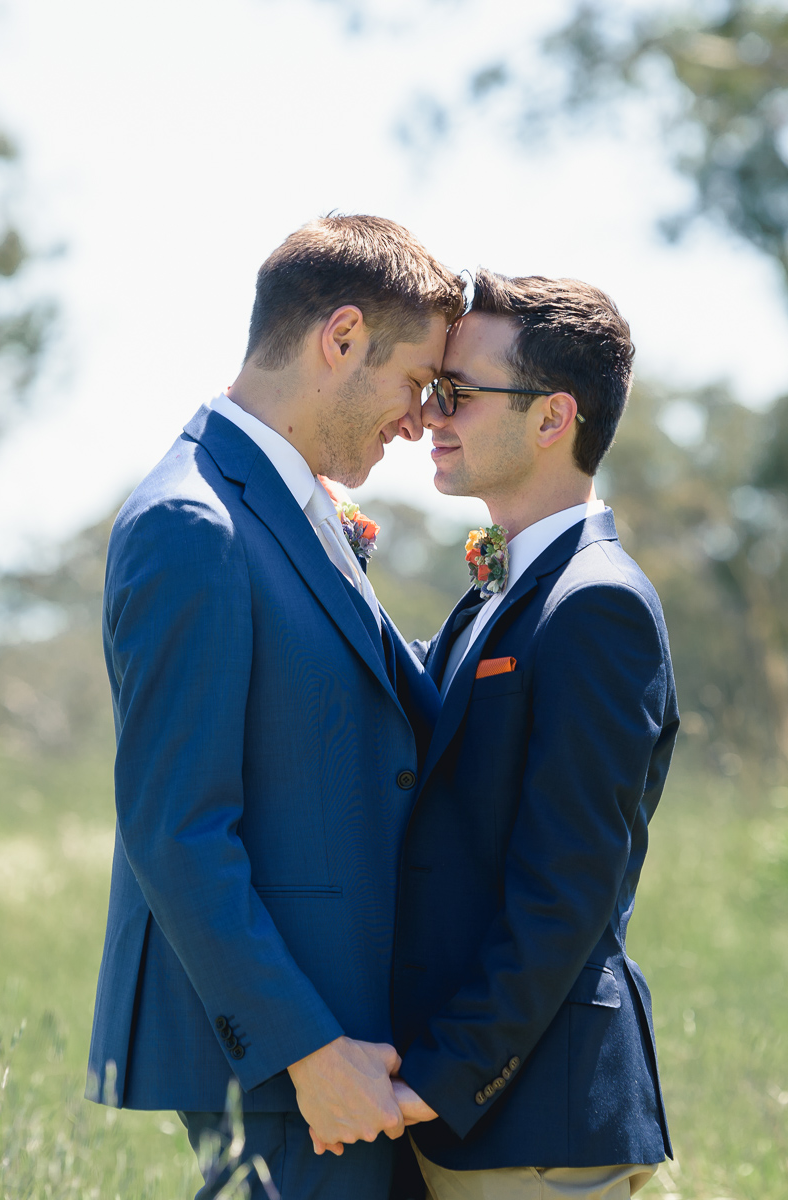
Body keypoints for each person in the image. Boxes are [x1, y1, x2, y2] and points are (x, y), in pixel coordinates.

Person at [84, 214, 464, 1200]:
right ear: (339, 339)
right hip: (293, 1067)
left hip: (358, 1038)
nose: (421, 418)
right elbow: (176, 829)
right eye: (415, 382)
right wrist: (307, 1053)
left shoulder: (295, 505)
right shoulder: (191, 522)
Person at [391, 270, 680, 1199]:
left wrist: (439, 1080)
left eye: (459, 393)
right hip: (460, 1113)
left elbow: (566, 892)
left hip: (533, 1121)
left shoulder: (595, 604)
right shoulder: (500, 591)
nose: (432, 414)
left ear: (553, 418)